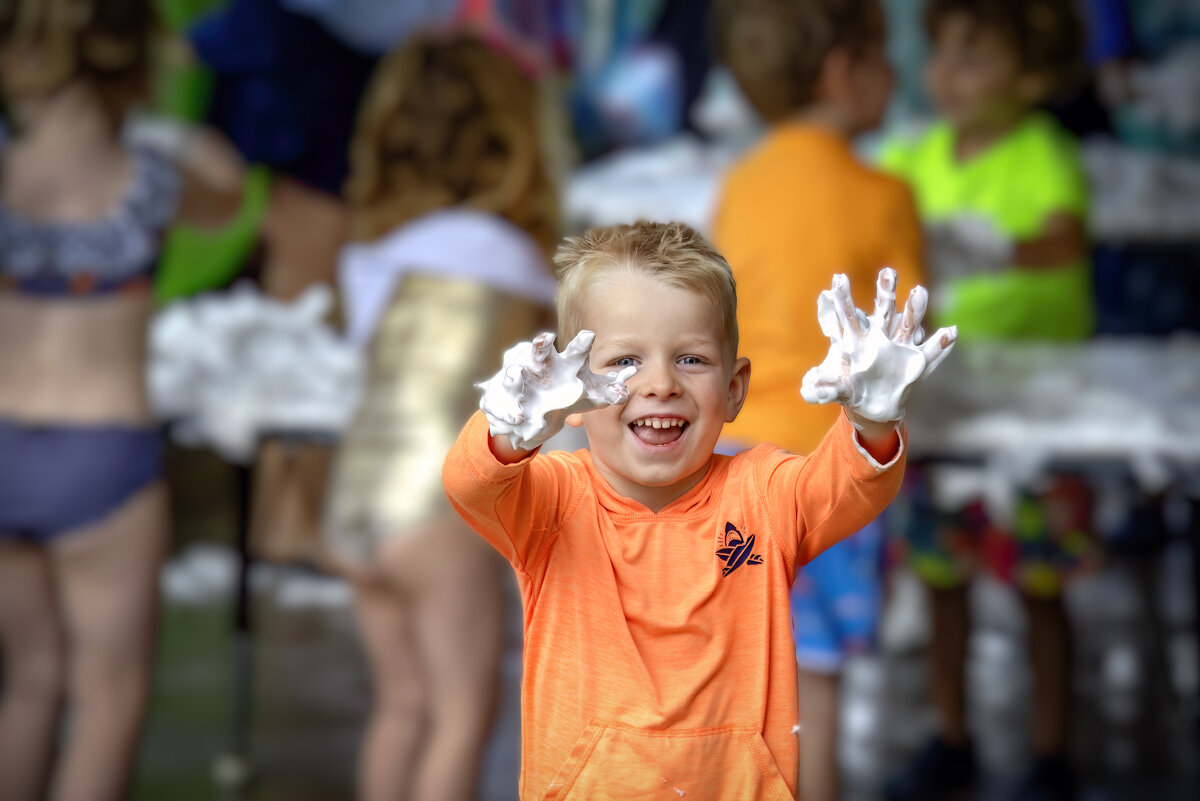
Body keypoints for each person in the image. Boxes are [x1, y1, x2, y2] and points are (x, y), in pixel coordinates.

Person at [442, 219, 957, 800]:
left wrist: (874, 420)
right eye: (623, 362)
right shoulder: (550, 502)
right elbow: (469, 485)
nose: (660, 383)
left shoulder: (764, 492)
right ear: (573, 391)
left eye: (690, 359)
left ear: (735, 388)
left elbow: (850, 486)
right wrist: (507, 426)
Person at [0, 2, 237, 800]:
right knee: (109, 697)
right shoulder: (155, 178)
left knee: (28, 683)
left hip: (4, 444)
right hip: (101, 451)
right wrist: (161, 114)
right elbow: (231, 193)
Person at [320, 28, 561, 801]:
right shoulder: (516, 264)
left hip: (355, 501)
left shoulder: (374, 261)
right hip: (438, 510)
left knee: (401, 705)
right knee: (464, 712)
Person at [876, 1, 1095, 799]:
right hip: (945, 408)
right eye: (941, 53)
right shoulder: (915, 155)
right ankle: (952, 735)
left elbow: (1067, 238)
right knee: (941, 578)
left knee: (1043, 584)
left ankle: (1049, 752)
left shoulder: (1045, 153)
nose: (946, 73)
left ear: (1031, 75)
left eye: (974, 56)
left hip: (1040, 410)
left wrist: (999, 249)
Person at [710, 1, 928, 798]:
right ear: (845, 70)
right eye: (884, 52)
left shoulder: (740, 185)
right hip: (829, 478)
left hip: (730, 468)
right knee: (816, 682)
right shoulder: (883, 194)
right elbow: (905, 342)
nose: (899, 73)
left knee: (736, 676)